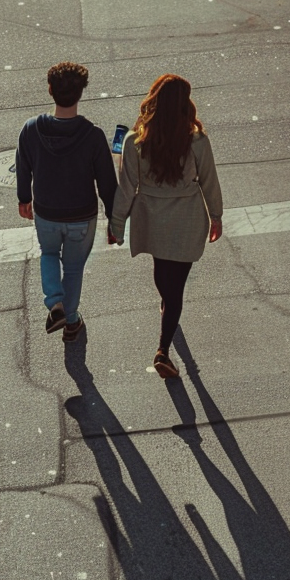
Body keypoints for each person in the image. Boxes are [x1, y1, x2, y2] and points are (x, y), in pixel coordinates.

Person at [108, 74, 224, 379]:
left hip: (152, 219)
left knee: (164, 279)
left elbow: (126, 187)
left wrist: (117, 224)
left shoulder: (137, 142)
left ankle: (166, 316)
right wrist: (216, 216)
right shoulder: (197, 141)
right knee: (176, 289)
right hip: (187, 219)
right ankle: (162, 350)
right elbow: (210, 180)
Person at [16, 62, 117, 343]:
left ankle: (55, 303)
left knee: (48, 255)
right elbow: (107, 183)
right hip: (81, 216)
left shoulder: (32, 129)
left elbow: (23, 166)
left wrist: (24, 197)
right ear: (81, 94)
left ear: (50, 90)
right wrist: (115, 219)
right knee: (73, 269)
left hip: (46, 212)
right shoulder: (93, 136)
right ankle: (71, 321)